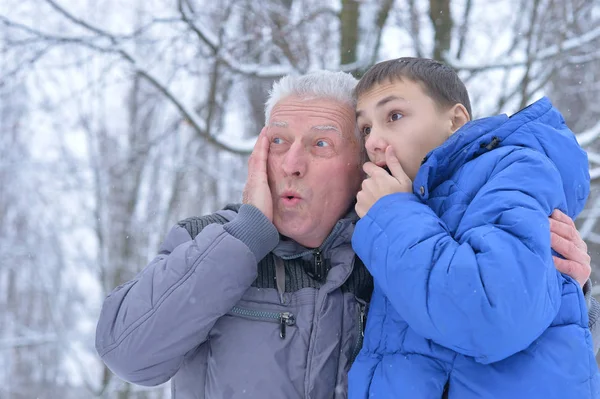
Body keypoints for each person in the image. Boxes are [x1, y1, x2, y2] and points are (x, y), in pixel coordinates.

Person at [95, 70, 599, 399]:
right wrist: (246, 236)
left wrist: (563, 288)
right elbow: (127, 352)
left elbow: (488, 335)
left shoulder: (403, 248)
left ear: (365, 165)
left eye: (319, 144)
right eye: (277, 142)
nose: (291, 164)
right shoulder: (208, 243)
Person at [349, 57, 600, 398]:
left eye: (394, 116)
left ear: (455, 120)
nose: (373, 141)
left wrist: (393, 214)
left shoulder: (512, 169)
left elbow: (493, 313)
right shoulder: (403, 206)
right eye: (365, 129)